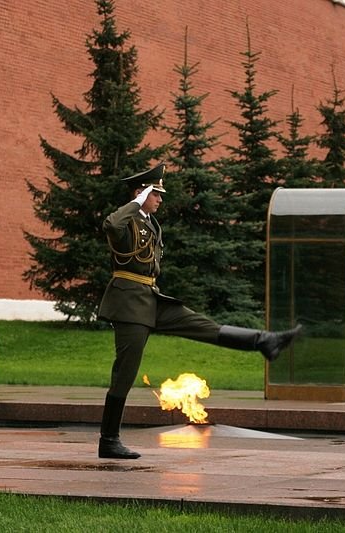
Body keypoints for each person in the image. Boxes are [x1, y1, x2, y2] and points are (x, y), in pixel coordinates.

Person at [97, 163, 302, 459]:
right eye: (156, 194)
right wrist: (135, 202)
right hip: (129, 305)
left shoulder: (151, 224)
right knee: (125, 373)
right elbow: (110, 226)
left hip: (152, 299)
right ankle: (109, 440)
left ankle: (263, 341)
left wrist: (142, 205)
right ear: (141, 194)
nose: (160, 199)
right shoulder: (128, 219)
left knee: (201, 325)